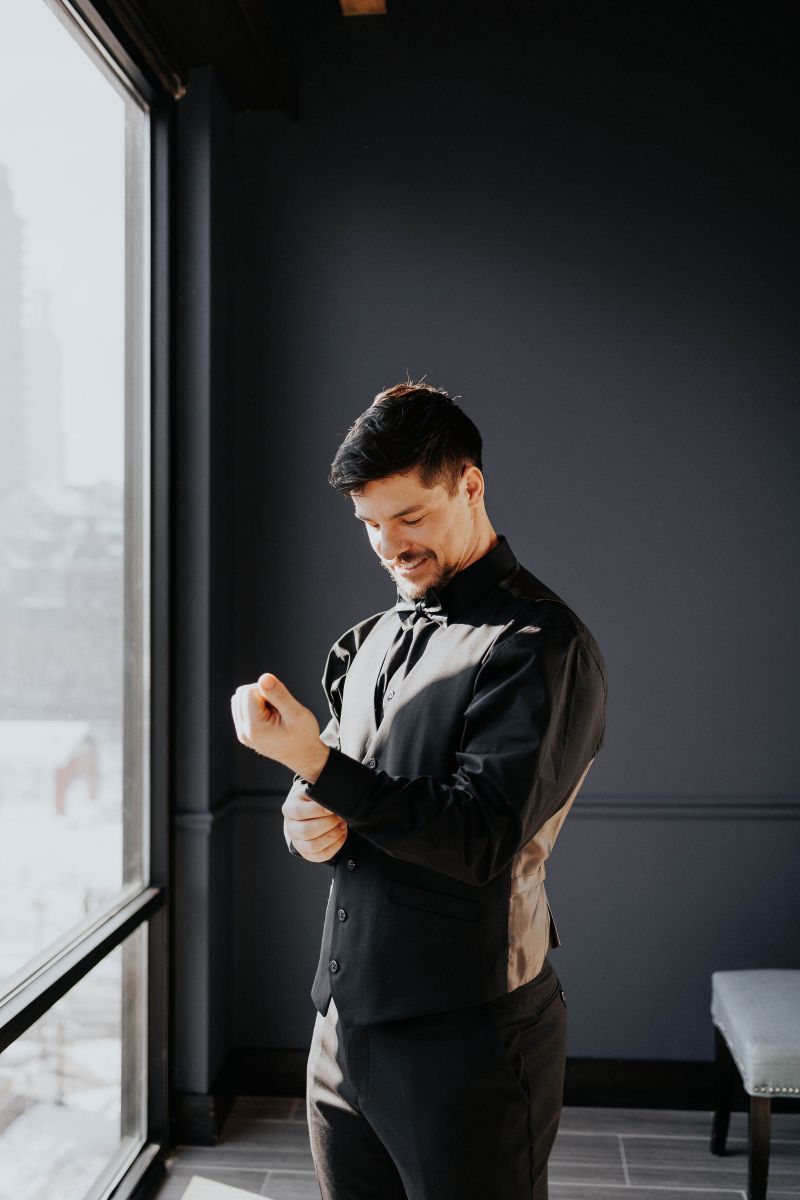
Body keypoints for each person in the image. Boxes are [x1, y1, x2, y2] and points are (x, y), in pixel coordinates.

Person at [230, 380, 607, 1200]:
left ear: (470, 486)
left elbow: (479, 837)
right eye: (370, 524)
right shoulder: (364, 643)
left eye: (410, 517)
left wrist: (317, 765)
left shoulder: (541, 644)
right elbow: (345, 791)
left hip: (471, 1040)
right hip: (341, 1031)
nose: (389, 545)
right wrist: (304, 813)